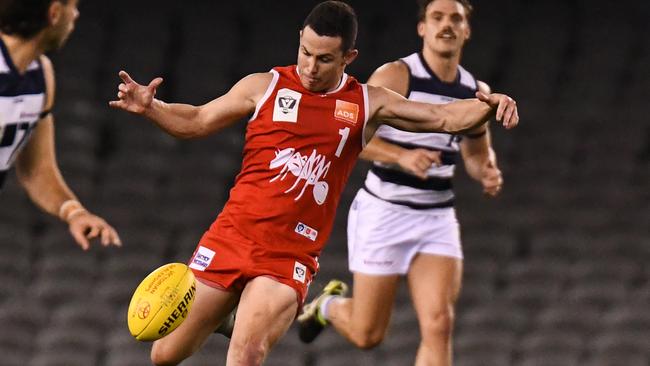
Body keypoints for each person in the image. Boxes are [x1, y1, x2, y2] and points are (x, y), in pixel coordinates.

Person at [109, 1, 518, 365]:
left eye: (324, 59)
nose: (309, 67)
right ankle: (229, 316)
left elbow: (444, 118)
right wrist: (153, 109)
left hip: (289, 255)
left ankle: (248, 318)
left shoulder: (366, 102)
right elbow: (197, 121)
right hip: (230, 238)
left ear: (348, 57)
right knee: (164, 354)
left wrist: (492, 104)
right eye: (305, 52)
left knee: (246, 354)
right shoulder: (264, 86)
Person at [297, 1, 500, 365]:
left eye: (456, 18)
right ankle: (326, 306)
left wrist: (487, 171)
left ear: (467, 30)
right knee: (368, 334)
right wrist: (401, 156)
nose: (447, 25)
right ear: (422, 28)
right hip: (385, 211)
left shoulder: (475, 90)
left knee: (439, 324)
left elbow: (475, 153)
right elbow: (347, 139)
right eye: (437, 17)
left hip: (435, 217)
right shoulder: (395, 76)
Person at [0, 0, 121, 249]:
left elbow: (36, 169)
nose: (76, 16)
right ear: (54, 13)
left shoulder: (41, 75)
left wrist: (74, 212)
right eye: (73, 7)